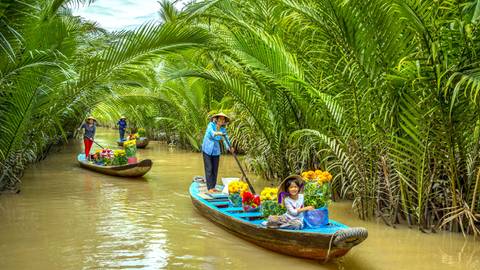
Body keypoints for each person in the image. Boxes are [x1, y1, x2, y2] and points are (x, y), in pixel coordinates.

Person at [201, 113, 234, 193]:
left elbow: (226, 140)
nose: (221, 121)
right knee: (209, 168)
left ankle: (213, 186)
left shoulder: (223, 130)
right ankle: (209, 188)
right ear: (216, 119)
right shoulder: (211, 125)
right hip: (207, 149)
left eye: (223, 120)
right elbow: (211, 133)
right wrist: (217, 133)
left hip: (216, 150)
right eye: (220, 119)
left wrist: (229, 147)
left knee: (215, 169)